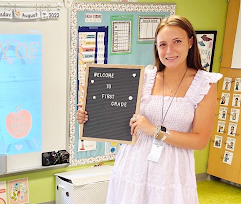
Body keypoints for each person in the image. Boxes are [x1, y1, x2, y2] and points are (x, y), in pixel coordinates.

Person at [77, 15, 222, 204]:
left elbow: (200, 140)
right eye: (162, 44)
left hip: (172, 171)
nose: (169, 51)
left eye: (177, 41)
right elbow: (118, 113)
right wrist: (91, 115)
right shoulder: (144, 76)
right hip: (133, 164)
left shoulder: (204, 84)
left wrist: (154, 131)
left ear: (190, 42)